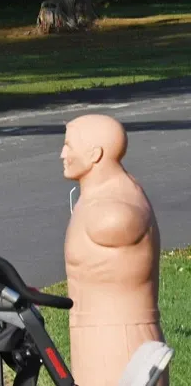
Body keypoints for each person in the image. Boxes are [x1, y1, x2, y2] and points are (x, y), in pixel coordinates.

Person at [62, 114, 167, 386]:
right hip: (96, 336)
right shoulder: (97, 197)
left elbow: (125, 221)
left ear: (95, 154)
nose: (62, 154)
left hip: (118, 340)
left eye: (69, 145)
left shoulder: (114, 210)